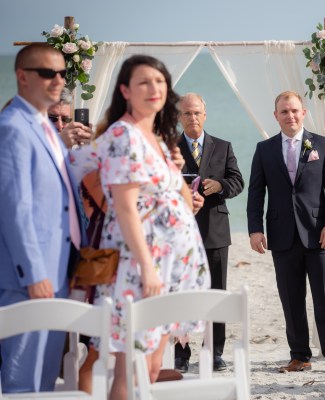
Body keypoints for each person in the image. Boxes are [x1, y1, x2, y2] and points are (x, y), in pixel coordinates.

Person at [69, 54, 211, 400]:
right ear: (125, 91)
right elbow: (125, 207)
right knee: (130, 369)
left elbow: (182, 199)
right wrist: (147, 267)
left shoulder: (157, 138)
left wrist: (174, 165)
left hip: (170, 265)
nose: (154, 88)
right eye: (144, 82)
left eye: (160, 81)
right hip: (140, 266)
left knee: (151, 368)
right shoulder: (124, 134)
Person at [0, 43, 81, 393]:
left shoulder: (46, 128)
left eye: (61, 73)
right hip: (30, 279)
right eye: (48, 73)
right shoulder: (12, 128)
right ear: (23, 77)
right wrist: (33, 274)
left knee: (45, 379)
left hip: (58, 270)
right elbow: (13, 208)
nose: (58, 80)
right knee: (23, 382)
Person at [247, 91, 325, 373]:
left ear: (303, 113)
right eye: (284, 112)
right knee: (291, 299)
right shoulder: (264, 150)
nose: (290, 116)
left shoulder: (322, 145)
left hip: (319, 234)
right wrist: (255, 230)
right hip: (281, 235)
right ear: (276, 116)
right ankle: (300, 356)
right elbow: (256, 193)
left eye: (294, 111)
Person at [174, 93, 244, 372]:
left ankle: (214, 351)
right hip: (180, 233)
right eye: (187, 113)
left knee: (216, 292)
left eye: (197, 113)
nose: (192, 118)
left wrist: (220, 186)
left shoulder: (223, 147)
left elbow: (238, 181)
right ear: (179, 117)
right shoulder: (170, 148)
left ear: (205, 115)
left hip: (215, 230)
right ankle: (180, 352)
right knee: (182, 292)